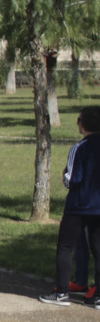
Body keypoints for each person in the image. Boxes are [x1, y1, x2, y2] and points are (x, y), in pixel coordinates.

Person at [39, 106, 100, 308]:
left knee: (65, 247)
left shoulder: (79, 148)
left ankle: (62, 292)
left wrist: (65, 177)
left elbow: (72, 179)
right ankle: (98, 295)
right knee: (98, 249)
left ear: (81, 124)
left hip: (78, 206)